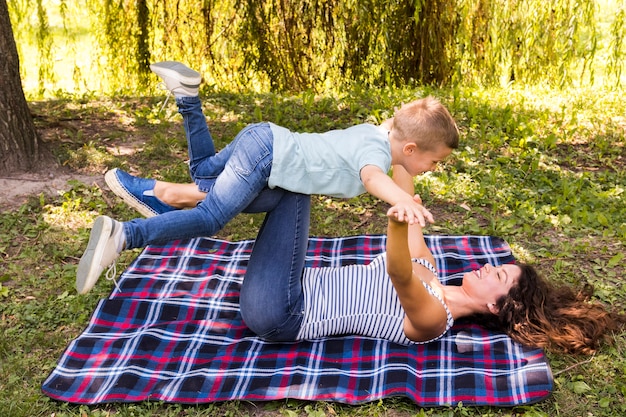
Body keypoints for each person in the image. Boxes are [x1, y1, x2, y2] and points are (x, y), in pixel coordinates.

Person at [98, 160, 624, 355]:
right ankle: (177, 199)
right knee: (288, 176)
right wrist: (407, 152)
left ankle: (172, 200)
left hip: (278, 314)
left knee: (294, 186)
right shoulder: (433, 269)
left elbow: (397, 272)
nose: (489, 265)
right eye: (500, 263)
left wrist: (398, 222)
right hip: (284, 284)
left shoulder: (435, 319)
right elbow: (404, 183)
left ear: (495, 308)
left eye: (499, 276)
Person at [76, 61, 459, 294]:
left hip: (263, 138)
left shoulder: (379, 134)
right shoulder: (375, 154)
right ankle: (125, 234)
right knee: (211, 216)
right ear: (409, 149)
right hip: (267, 157)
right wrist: (400, 200)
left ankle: (187, 95)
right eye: (435, 161)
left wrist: (407, 192)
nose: (433, 169)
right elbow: (375, 177)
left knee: (204, 171)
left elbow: (399, 154)